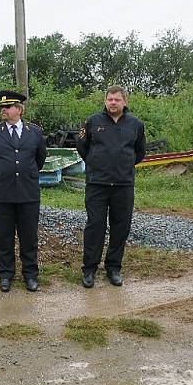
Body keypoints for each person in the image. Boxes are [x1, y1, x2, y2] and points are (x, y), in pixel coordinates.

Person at [75, 85, 146, 288]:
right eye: (109, 99)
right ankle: (89, 270)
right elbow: (82, 146)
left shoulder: (136, 124)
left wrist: (124, 165)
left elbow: (139, 152)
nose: (113, 102)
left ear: (125, 102)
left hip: (123, 185)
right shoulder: (92, 122)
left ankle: (113, 268)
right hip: (97, 184)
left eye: (117, 99)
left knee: (120, 227)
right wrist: (96, 162)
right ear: (105, 101)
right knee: (95, 226)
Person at [0, 90, 47, 292]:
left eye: (8, 107)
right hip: (1, 194)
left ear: (19, 109)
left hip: (27, 193)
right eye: (2, 107)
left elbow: (40, 159)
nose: (3, 110)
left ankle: (30, 275)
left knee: (29, 236)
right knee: (3, 236)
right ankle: (6, 274)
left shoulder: (34, 132)